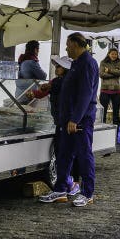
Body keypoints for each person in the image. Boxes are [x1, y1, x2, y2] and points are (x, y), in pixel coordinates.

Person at [39, 32, 99, 207]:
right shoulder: (76, 63)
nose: (66, 48)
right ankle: (60, 190)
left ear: (76, 44)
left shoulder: (87, 63)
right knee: (64, 155)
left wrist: (75, 118)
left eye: (68, 45)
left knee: (84, 155)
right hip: (68, 120)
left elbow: (85, 94)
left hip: (80, 120)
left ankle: (87, 193)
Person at [27, 56, 81, 197]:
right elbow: (44, 91)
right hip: (60, 121)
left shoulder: (67, 81)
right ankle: (66, 183)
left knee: (69, 153)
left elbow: (51, 87)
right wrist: (35, 93)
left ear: (66, 69)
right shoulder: (57, 81)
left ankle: (73, 183)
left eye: (59, 67)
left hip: (69, 122)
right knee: (60, 153)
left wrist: (45, 87)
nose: (56, 69)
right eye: (56, 66)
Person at [99, 48, 120, 127]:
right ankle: (102, 129)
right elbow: (101, 74)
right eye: (112, 54)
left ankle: (116, 131)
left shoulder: (119, 62)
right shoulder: (103, 62)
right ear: (108, 54)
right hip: (105, 90)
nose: (114, 56)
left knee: (116, 115)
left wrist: (109, 70)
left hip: (116, 91)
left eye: (116, 54)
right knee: (103, 114)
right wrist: (115, 73)